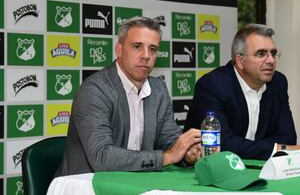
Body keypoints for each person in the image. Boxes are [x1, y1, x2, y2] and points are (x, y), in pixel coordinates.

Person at [55, 17, 201, 177]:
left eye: (153, 49)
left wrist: (188, 152)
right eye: (137, 46)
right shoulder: (95, 90)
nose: (146, 55)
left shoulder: (158, 89)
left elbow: (169, 139)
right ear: (119, 50)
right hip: (86, 185)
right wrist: (166, 157)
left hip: (134, 181)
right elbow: (101, 157)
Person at [184, 24, 300, 160]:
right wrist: (277, 149)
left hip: (260, 168)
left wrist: (254, 147)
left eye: (273, 53)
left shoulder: (278, 83)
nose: (270, 60)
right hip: (212, 173)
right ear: (240, 61)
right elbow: (222, 144)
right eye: (261, 54)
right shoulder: (213, 85)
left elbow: (287, 137)